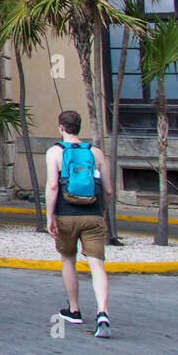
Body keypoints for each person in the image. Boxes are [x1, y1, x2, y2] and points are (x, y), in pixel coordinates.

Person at [47, 110, 114, 337]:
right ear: (79, 127)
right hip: (93, 214)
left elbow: (53, 186)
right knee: (97, 265)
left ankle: (74, 309)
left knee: (68, 260)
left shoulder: (54, 152)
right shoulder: (96, 153)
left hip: (66, 215)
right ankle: (102, 312)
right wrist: (102, 211)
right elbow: (108, 189)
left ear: (61, 128)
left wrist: (49, 216)